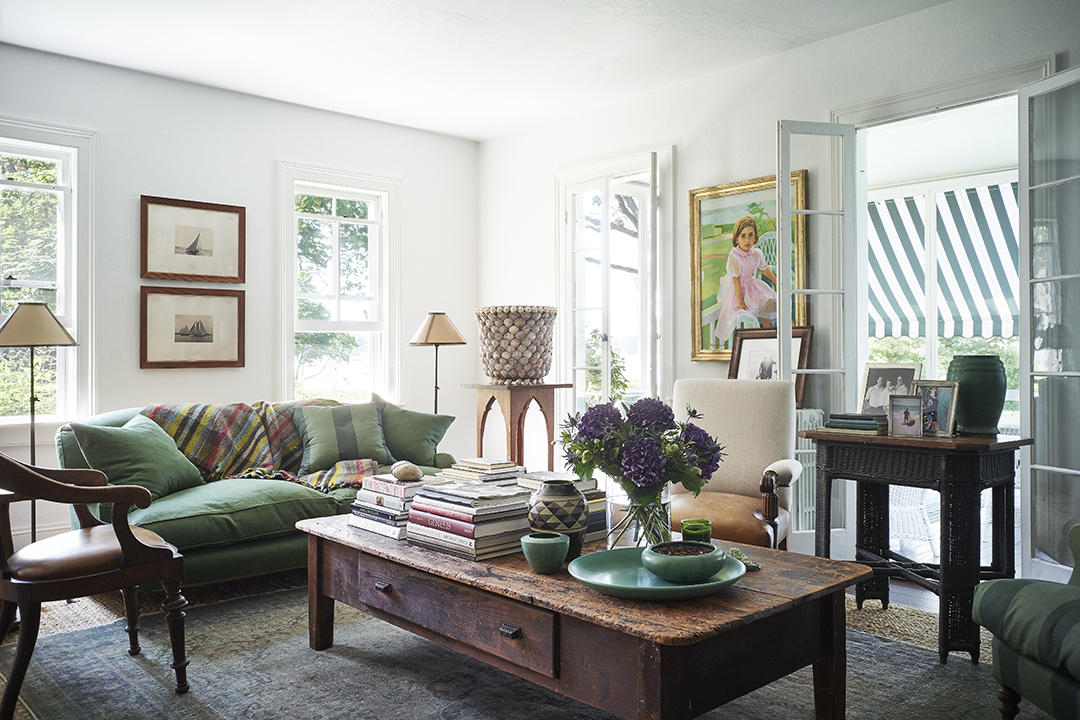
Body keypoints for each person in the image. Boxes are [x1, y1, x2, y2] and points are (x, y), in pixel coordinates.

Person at [712, 216, 778, 346]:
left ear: (755, 237)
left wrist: (776, 281)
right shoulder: (734, 256)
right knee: (747, 310)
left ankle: (766, 327)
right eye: (743, 236)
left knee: (768, 299)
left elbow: (764, 269)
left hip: (751, 284)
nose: (747, 239)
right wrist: (741, 302)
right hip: (738, 290)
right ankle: (751, 339)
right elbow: (736, 281)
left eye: (750, 235)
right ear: (736, 239)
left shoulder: (756, 253)